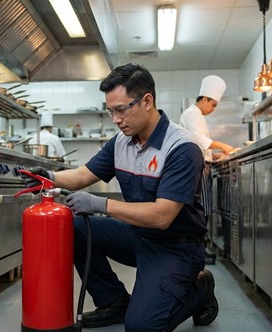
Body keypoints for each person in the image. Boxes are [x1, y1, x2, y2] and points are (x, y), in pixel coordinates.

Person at [21, 63, 218, 331]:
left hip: (175, 247)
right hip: (138, 236)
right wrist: (49, 177)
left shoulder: (182, 148)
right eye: (110, 111)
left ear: (147, 101)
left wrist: (101, 205)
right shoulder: (121, 142)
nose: (115, 119)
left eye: (121, 109)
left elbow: (162, 216)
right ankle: (114, 302)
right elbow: (83, 174)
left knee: (141, 327)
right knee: (74, 226)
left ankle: (200, 289)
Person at [179, 75, 234, 265]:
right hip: (198, 170)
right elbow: (198, 141)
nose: (213, 109)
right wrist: (223, 146)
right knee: (201, 211)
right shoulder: (191, 113)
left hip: (204, 167)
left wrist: (213, 155)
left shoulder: (198, 115)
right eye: (213, 105)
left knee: (204, 210)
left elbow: (202, 147)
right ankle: (198, 252)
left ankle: (199, 250)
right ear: (205, 99)